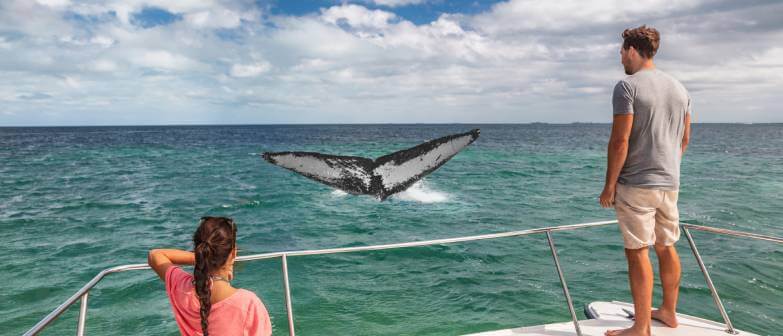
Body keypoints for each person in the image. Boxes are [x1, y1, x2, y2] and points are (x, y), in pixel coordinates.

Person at [599, 25, 691, 336]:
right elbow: (685, 138)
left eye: (622, 51)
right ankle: (668, 312)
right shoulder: (680, 88)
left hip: (637, 184)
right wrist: (668, 166)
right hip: (670, 182)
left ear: (634, 51)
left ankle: (641, 328)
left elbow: (619, 142)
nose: (621, 57)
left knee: (638, 252)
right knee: (666, 246)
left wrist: (610, 185)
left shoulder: (627, 86)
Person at [148, 217, 272, 336]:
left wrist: (203, 258)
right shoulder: (249, 304)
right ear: (233, 253)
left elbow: (155, 255)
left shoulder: (182, 288)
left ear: (199, 251)